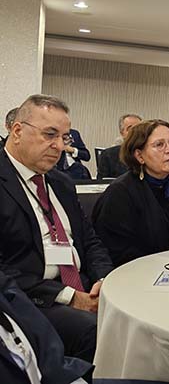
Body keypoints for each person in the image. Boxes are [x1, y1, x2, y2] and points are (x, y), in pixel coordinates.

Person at [0, 94, 113, 363]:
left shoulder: (61, 183)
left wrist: (102, 279)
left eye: (65, 138)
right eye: (50, 134)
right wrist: (70, 297)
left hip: (85, 287)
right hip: (29, 299)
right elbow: (5, 271)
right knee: (98, 331)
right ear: (17, 131)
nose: (59, 146)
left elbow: (90, 240)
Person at [92, 120, 169, 267]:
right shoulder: (121, 192)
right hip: (139, 271)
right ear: (139, 156)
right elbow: (116, 250)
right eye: (159, 145)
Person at [0, 271, 92, 384]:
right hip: (40, 290)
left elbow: (36, 327)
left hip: (51, 374)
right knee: (91, 329)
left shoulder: (7, 290)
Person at [96, 113, 142, 179]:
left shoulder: (150, 153)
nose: (136, 132)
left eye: (139, 128)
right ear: (122, 133)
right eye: (130, 129)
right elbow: (101, 182)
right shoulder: (108, 155)